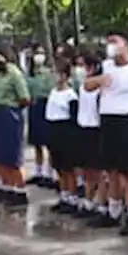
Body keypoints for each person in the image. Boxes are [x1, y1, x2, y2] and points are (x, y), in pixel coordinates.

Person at [86, 32, 128, 236]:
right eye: (108, 43)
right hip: (108, 120)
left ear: (125, 45)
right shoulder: (104, 67)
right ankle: (113, 211)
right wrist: (99, 80)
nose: (111, 46)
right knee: (112, 169)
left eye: (115, 42)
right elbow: (87, 86)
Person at [0, 46, 31, 206]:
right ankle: (7, 188)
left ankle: (20, 190)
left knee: (12, 156)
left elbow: (24, 97)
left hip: (9, 114)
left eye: (0, 56)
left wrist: (12, 109)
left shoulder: (13, 73)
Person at [45, 63, 81, 214]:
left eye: (58, 74)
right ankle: (64, 195)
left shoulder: (70, 95)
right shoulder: (53, 91)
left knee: (68, 167)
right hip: (53, 128)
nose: (56, 77)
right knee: (58, 166)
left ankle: (72, 197)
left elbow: (74, 116)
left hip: (65, 130)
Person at [74, 51, 104, 215]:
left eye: (84, 65)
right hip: (83, 128)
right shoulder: (82, 86)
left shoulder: (100, 88)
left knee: (98, 170)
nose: (81, 69)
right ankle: (88, 199)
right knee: (87, 169)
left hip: (96, 129)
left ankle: (99, 201)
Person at [24, 44, 56, 188]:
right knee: (36, 142)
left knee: (49, 142)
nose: (39, 56)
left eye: (41, 53)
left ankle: (49, 173)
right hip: (33, 106)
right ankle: (38, 172)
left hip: (46, 105)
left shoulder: (48, 73)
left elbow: (51, 89)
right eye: (37, 53)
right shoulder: (28, 74)